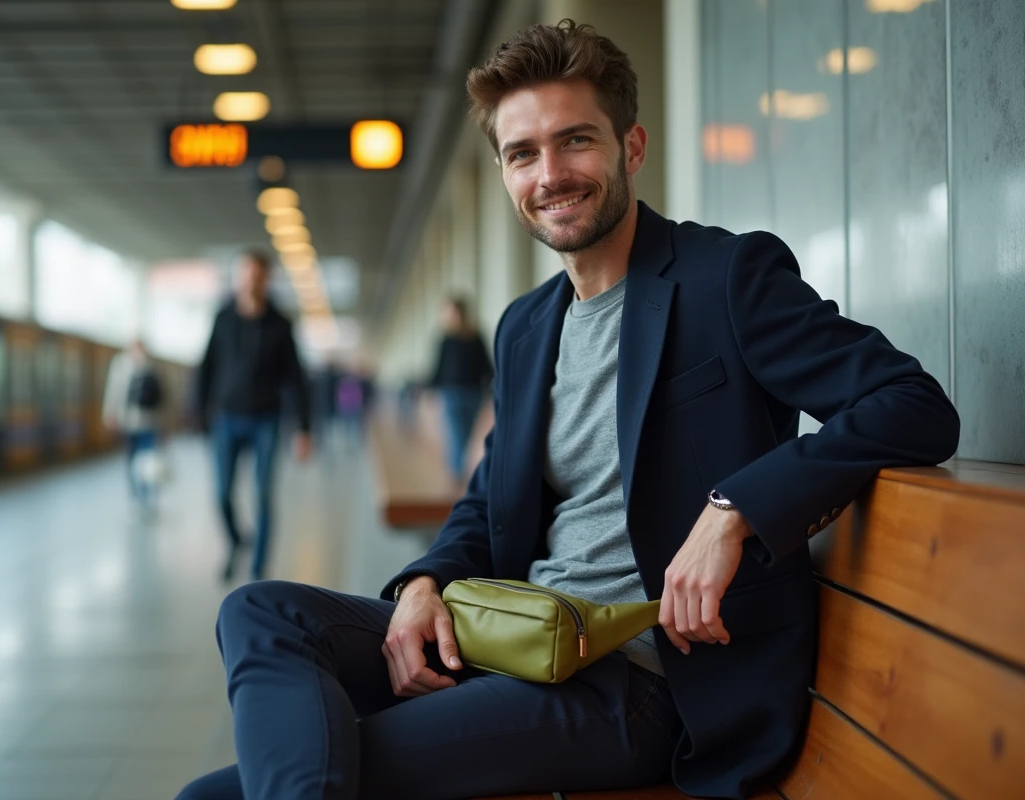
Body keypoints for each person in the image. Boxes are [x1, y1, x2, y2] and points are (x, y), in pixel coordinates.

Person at [176, 20, 961, 800]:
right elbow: (489, 498)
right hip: (516, 637)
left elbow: (913, 404)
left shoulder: (728, 278)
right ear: (504, 171)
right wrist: (423, 584)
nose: (550, 173)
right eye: (523, 153)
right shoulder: (525, 327)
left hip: (641, 682)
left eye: (575, 141)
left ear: (632, 147)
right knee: (260, 611)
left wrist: (735, 511)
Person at [197, 250, 312, 582]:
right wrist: (201, 414)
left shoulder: (280, 324)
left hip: (267, 420)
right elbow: (207, 366)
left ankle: (259, 568)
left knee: (263, 495)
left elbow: (296, 377)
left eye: (258, 274)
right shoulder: (223, 317)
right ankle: (236, 542)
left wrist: (304, 427)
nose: (251, 280)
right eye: (245, 273)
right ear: (238, 277)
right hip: (226, 418)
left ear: (267, 279)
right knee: (221, 493)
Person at [427, 296, 493, 481]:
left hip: (473, 393)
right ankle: (457, 473)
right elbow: (438, 367)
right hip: (451, 393)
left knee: (466, 434)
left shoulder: (476, 337)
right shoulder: (445, 339)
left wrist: (492, 387)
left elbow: (486, 364)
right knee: (456, 433)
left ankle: (459, 470)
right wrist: (430, 388)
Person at [102, 339, 163, 511]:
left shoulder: (152, 367)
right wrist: (109, 413)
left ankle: (149, 495)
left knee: (148, 461)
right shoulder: (121, 366)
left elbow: (163, 397)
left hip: (149, 422)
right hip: (128, 422)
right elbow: (114, 390)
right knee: (132, 460)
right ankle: (136, 496)